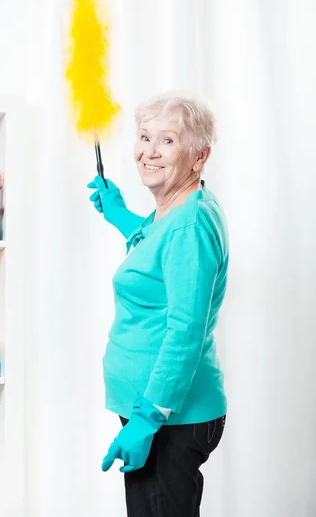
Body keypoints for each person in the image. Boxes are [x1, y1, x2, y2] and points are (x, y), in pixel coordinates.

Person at [87, 91, 229, 516]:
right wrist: (123, 217)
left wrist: (148, 419)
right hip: (155, 413)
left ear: (199, 155)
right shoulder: (180, 210)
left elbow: (185, 331)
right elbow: (162, 255)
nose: (149, 152)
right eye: (144, 137)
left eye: (167, 141)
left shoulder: (189, 224)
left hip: (168, 419)